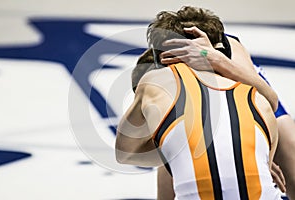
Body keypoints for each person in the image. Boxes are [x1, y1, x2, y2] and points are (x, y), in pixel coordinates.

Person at [116, 7, 282, 199]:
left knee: (172, 141)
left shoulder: (156, 80)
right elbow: (271, 102)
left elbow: (124, 153)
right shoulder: (257, 98)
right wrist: (216, 60)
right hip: (253, 105)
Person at [158, 6, 294, 199]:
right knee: (172, 157)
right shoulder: (163, 60)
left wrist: (215, 59)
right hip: (201, 115)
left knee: (291, 150)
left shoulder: (228, 47)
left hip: (256, 105)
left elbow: (269, 101)